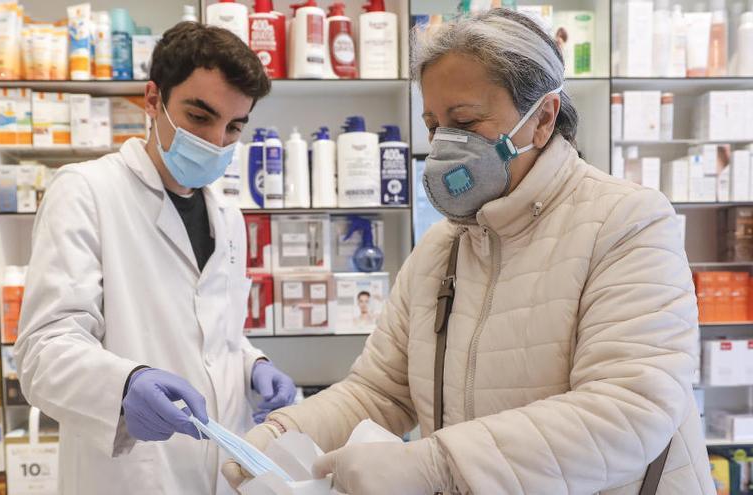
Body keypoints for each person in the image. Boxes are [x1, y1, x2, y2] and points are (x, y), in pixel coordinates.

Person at [223, 9, 714, 495]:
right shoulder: (442, 247)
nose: (444, 146)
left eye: (466, 121)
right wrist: (281, 435)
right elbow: (378, 391)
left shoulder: (627, 222)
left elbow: (629, 407)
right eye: (435, 126)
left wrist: (438, 464)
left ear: (542, 118)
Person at [15, 22, 297, 495]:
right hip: (132, 475)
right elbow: (43, 350)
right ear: (153, 100)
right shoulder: (86, 191)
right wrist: (125, 385)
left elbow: (212, 333)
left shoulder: (227, 215)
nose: (216, 141)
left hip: (222, 470)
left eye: (233, 127)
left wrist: (253, 365)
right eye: (199, 117)